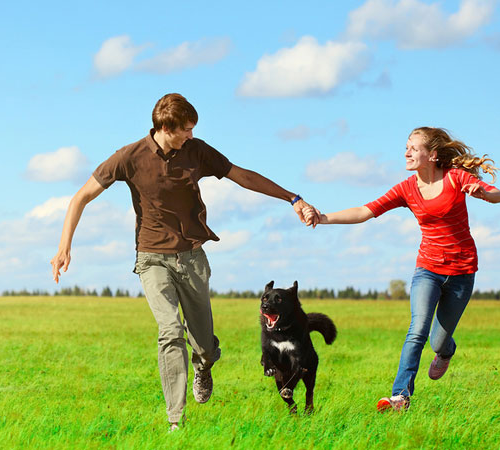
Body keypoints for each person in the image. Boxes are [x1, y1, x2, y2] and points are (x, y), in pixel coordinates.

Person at [49, 93, 319, 431]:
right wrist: (64, 247)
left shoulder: (197, 151)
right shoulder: (128, 157)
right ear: (165, 127)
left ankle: (203, 365)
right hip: (151, 258)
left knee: (204, 345)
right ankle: (176, 420)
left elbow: (242, 176)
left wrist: (291, 197)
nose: (190, 135)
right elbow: (81, 197)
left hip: (192, 259)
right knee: (170, 331)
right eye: (186, 130)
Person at [306, 127, 500, 412]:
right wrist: (323, 218)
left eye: (413, 148)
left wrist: (483, 193)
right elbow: (366, 211)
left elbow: (498, 195)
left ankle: (446, 350)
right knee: (417, 330)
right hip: (428, 269)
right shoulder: (407, 188)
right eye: (406, 147)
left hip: (462, 270)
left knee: (438, 341)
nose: (406, 153)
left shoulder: (456, 178)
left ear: (432, 155)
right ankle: (400, 396)